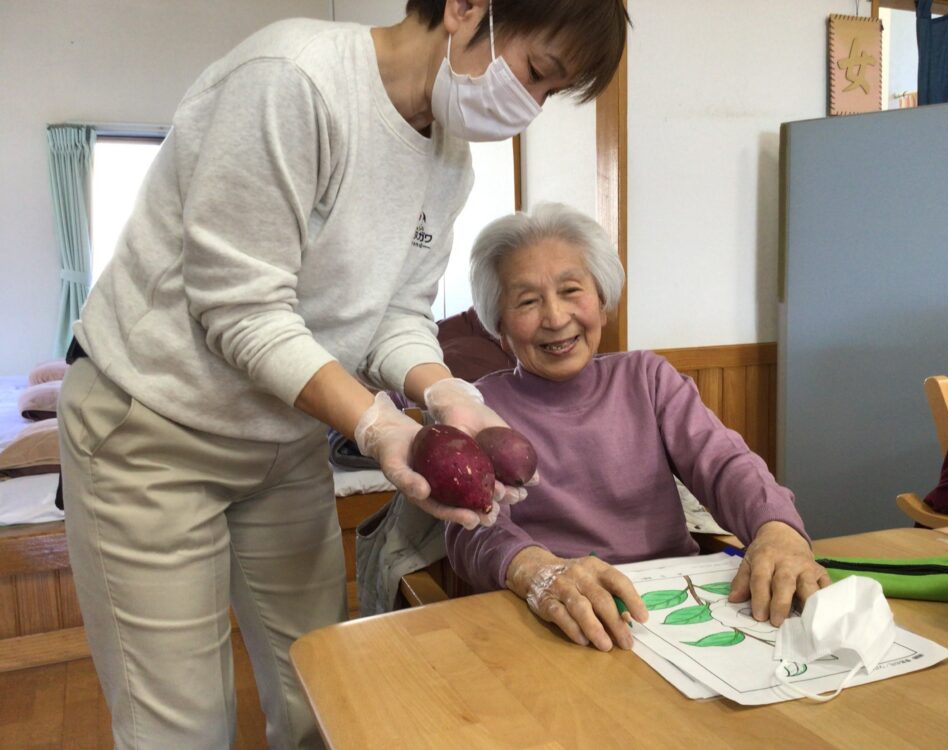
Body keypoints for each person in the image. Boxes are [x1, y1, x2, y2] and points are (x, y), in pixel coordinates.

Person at [56, 2, 630, 748]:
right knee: (183, 725)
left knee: (322, 688)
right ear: (465, 8)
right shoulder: (295, 81)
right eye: (538, 73)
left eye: (549, 95)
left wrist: (446, 393)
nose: (529, 107)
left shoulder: (449, 158)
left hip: (282, 436)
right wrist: (378, 423)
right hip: (153, 427)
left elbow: (395, 313)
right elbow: (239, 310)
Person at [445, 203, 832, 653]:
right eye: (528, 301)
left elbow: (723, 462)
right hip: (555, 617)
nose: (555, 317)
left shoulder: (648, 378)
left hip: (672, 604)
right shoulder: (478, 409)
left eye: (571, 290)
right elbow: (472, 531)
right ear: (501, 327)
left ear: (603, 303)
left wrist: (776, 528)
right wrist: (536, 570)